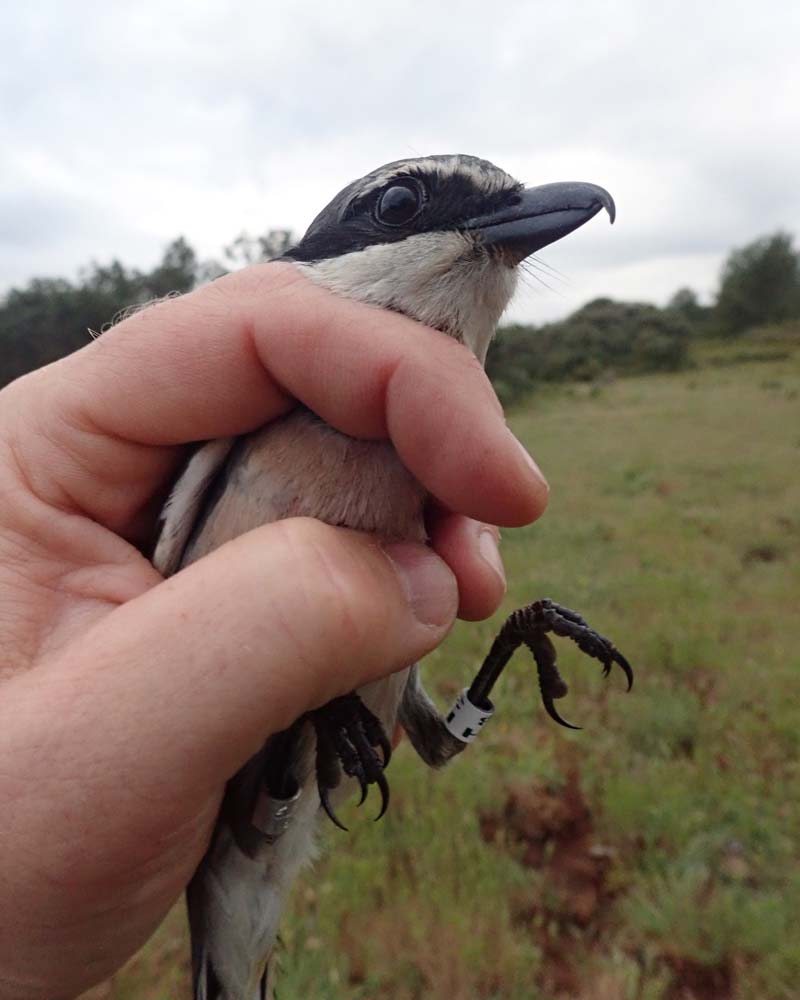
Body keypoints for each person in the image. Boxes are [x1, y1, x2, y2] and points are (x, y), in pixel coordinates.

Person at [0, 263, 548, 999]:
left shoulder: (414, 451)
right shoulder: (234, 424)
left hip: (280, 796)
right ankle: (284, 786)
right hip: (233, 806)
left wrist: (515, 637)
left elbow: (434, 745)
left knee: (423, 735)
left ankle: (290, 781)